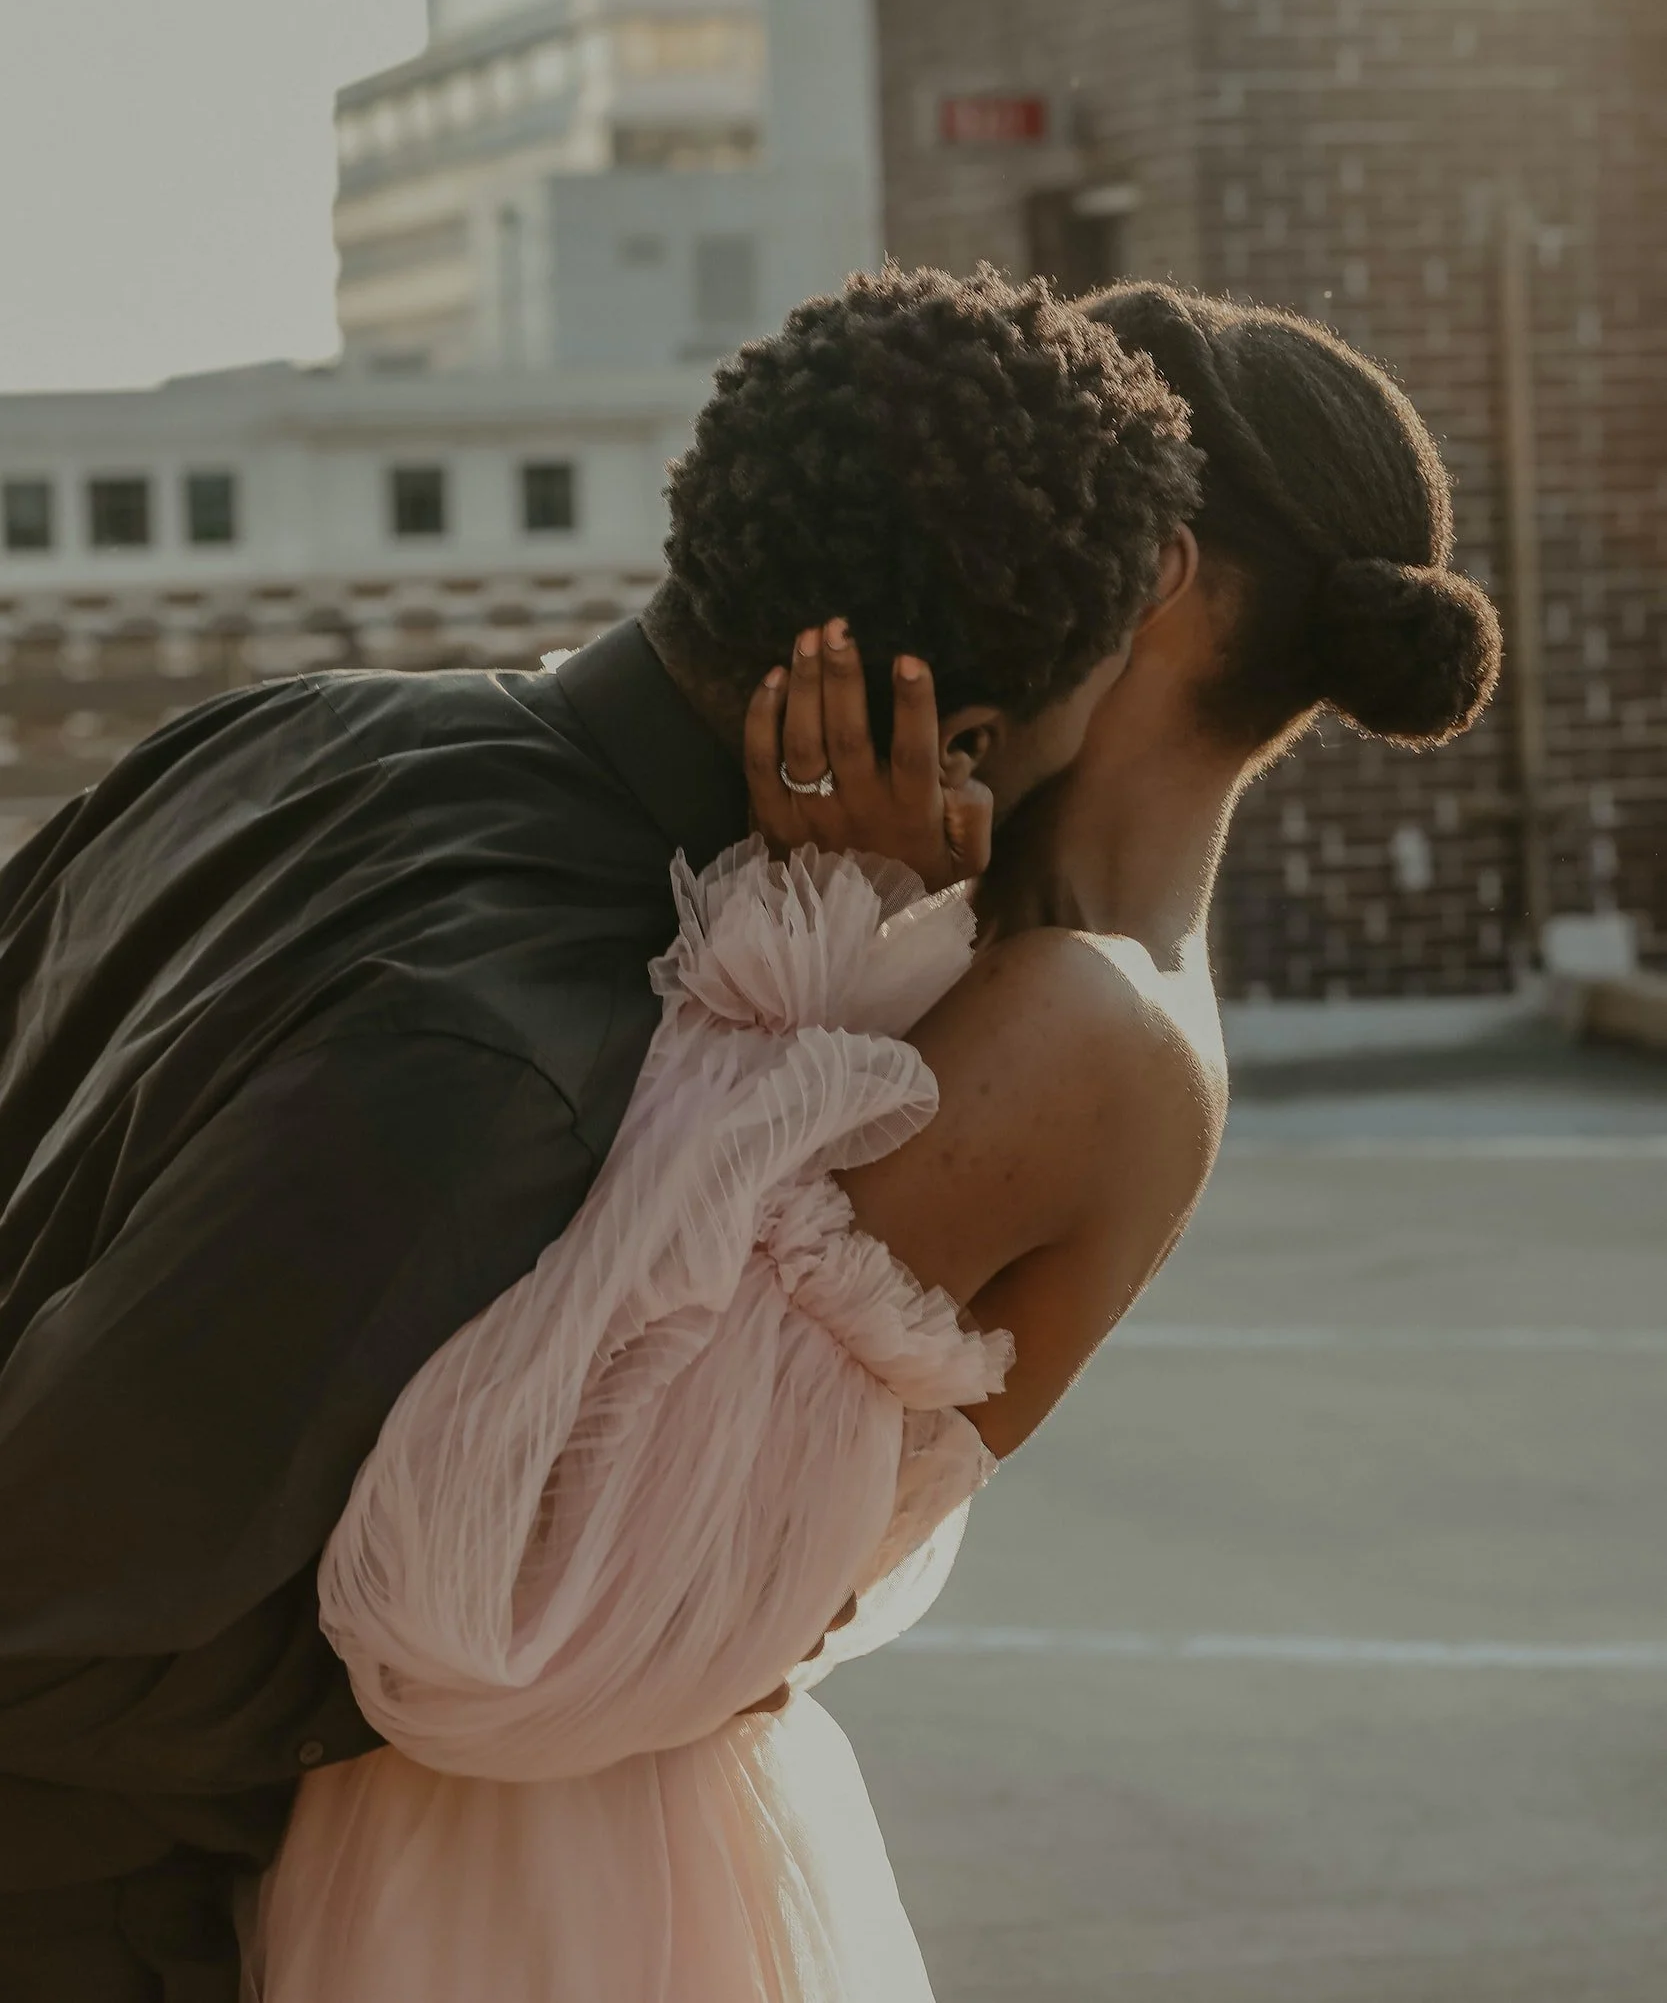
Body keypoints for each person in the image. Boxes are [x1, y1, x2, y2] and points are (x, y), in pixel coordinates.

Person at [247, 284, 1501, 2000]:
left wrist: (827, 918)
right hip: (537, 1825)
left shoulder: (1076, 1023)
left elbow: (548, 1510)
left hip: (534, 1873)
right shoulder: (1029, 934)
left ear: (1148, 570)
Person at [0, 264, 1197, 2001]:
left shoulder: (282, 730)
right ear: (959, 736)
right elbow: (60, 1621)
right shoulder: (512, 1063)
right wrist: (587, 1646)